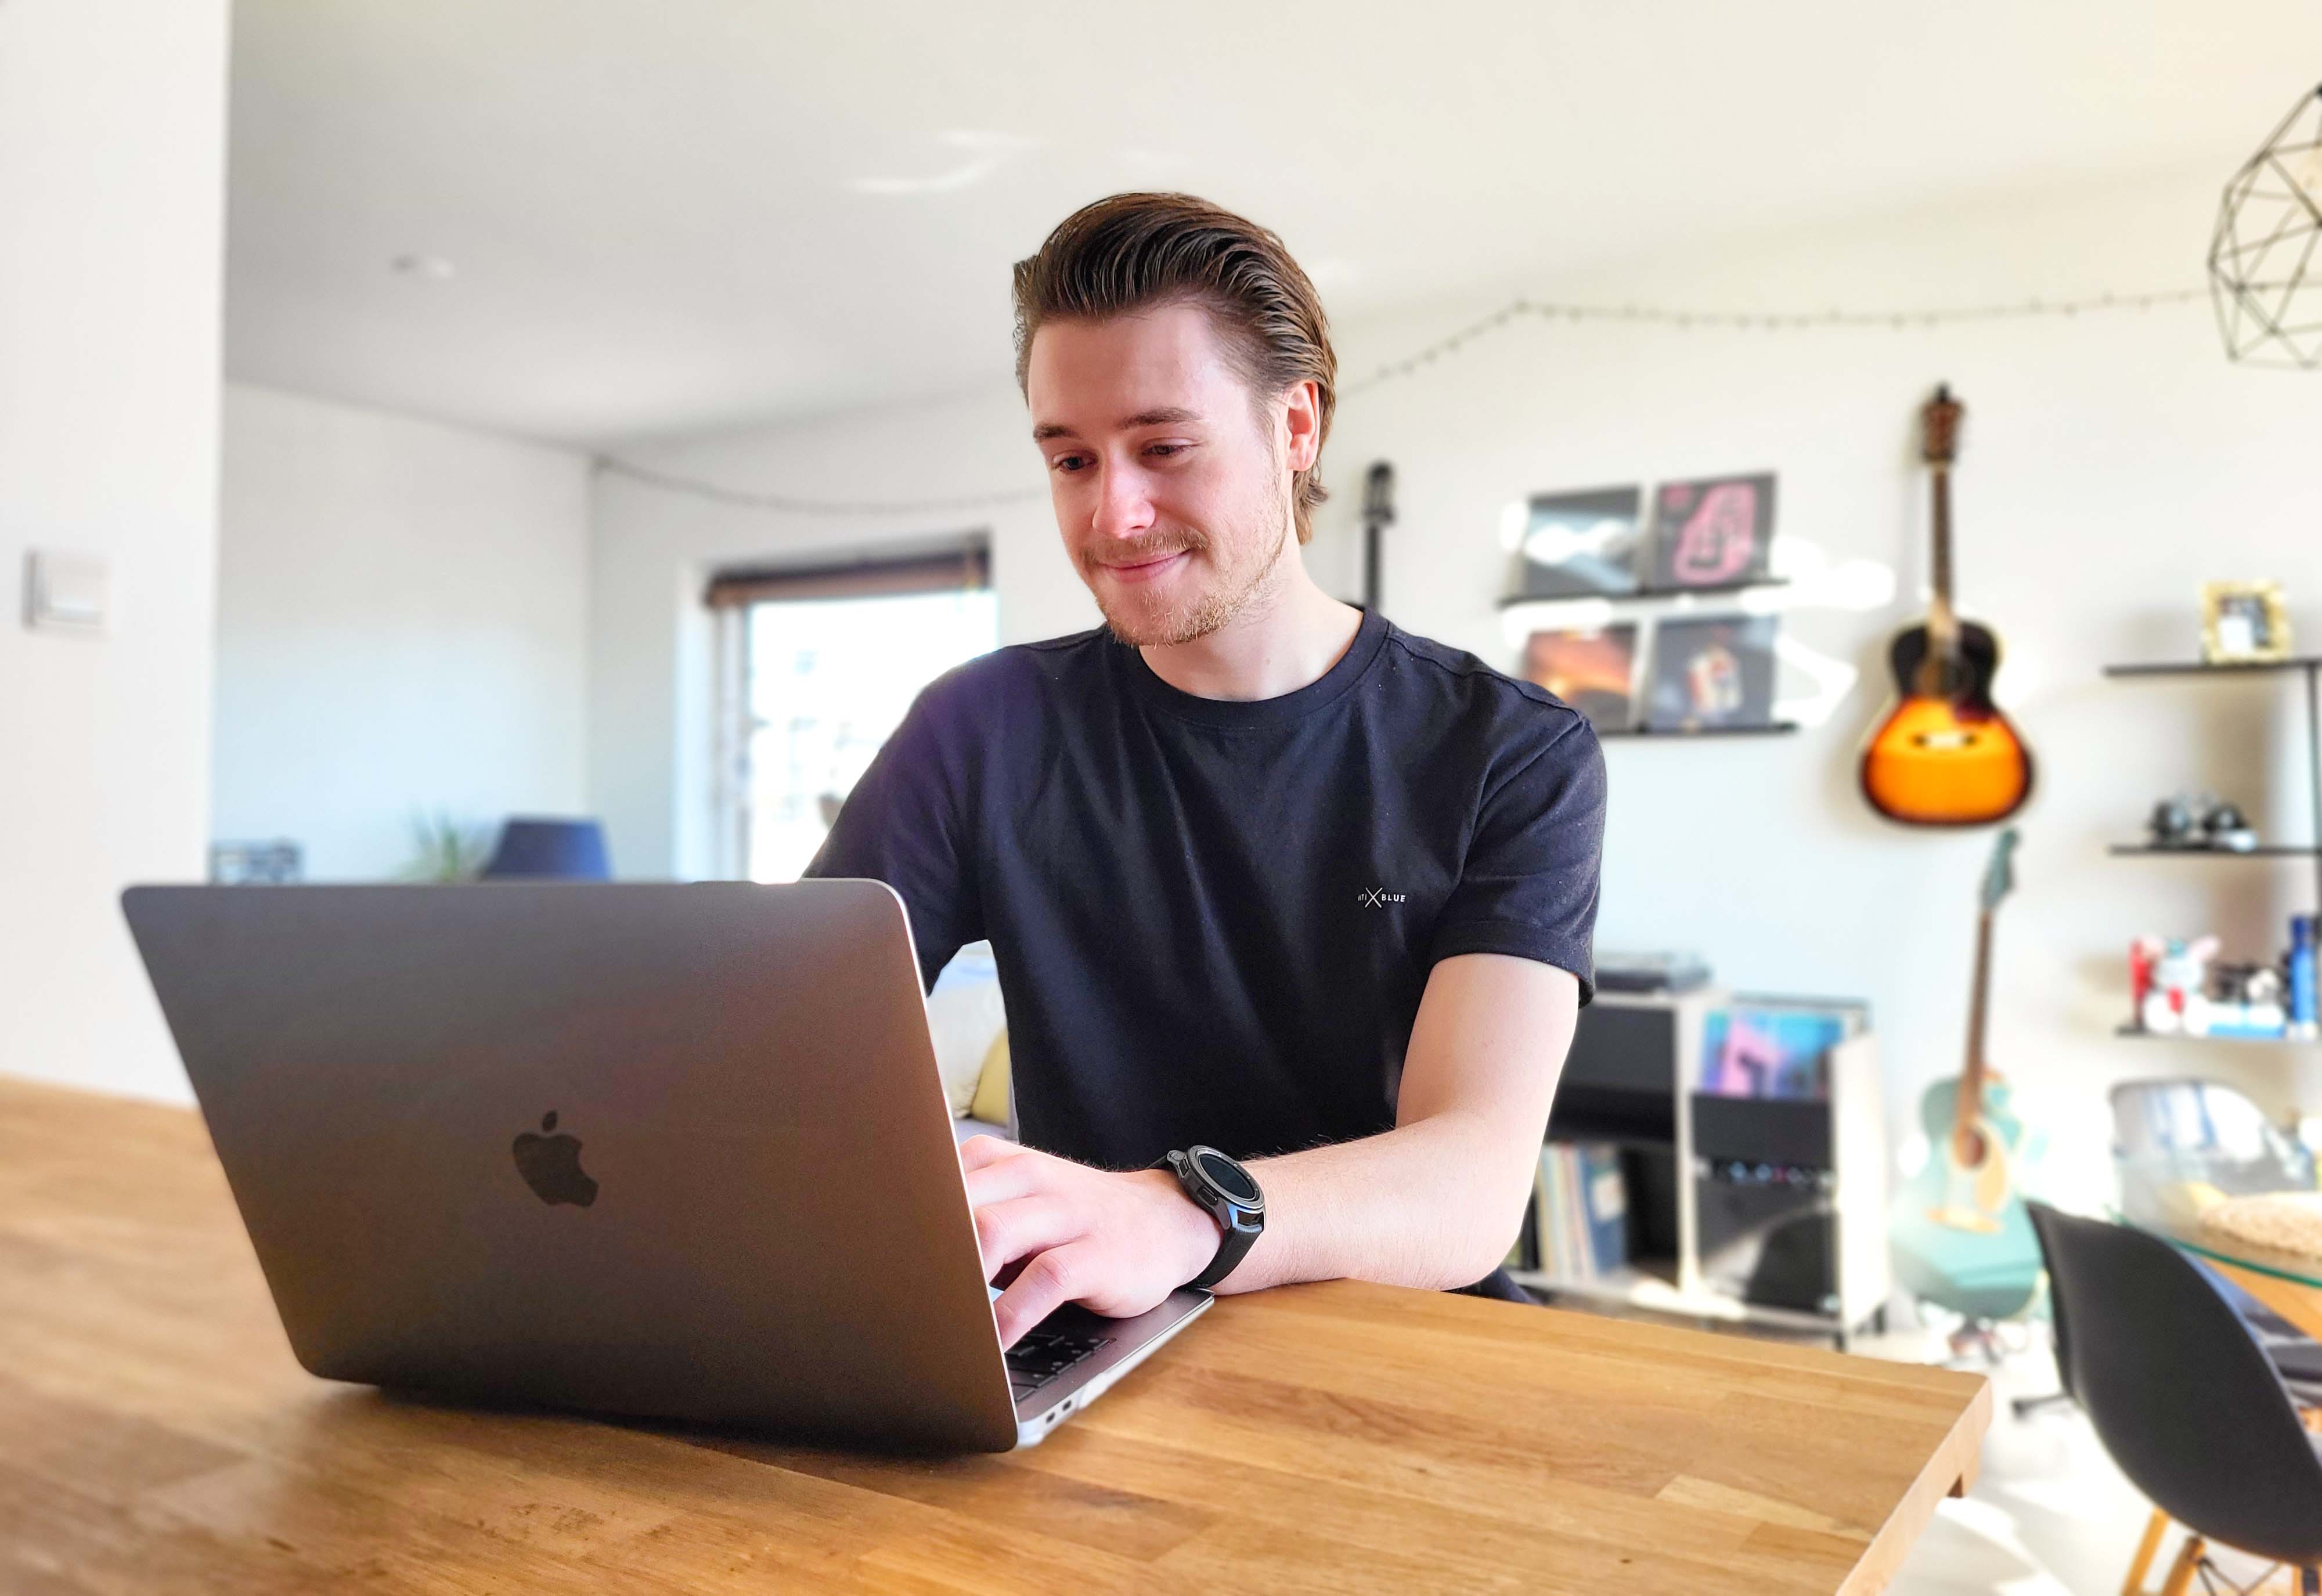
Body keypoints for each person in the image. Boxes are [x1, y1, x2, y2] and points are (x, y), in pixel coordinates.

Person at [806, 192, 1605, 1347]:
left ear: (1295, 430)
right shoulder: (979, 729)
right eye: (1070, 458)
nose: (1110, 512)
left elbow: (1469, 1180)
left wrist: (1180, 1212)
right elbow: (786, 1051)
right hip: (1097, 1352)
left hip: (1414, 1361)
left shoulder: (1510, 752)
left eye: (1163, 447)